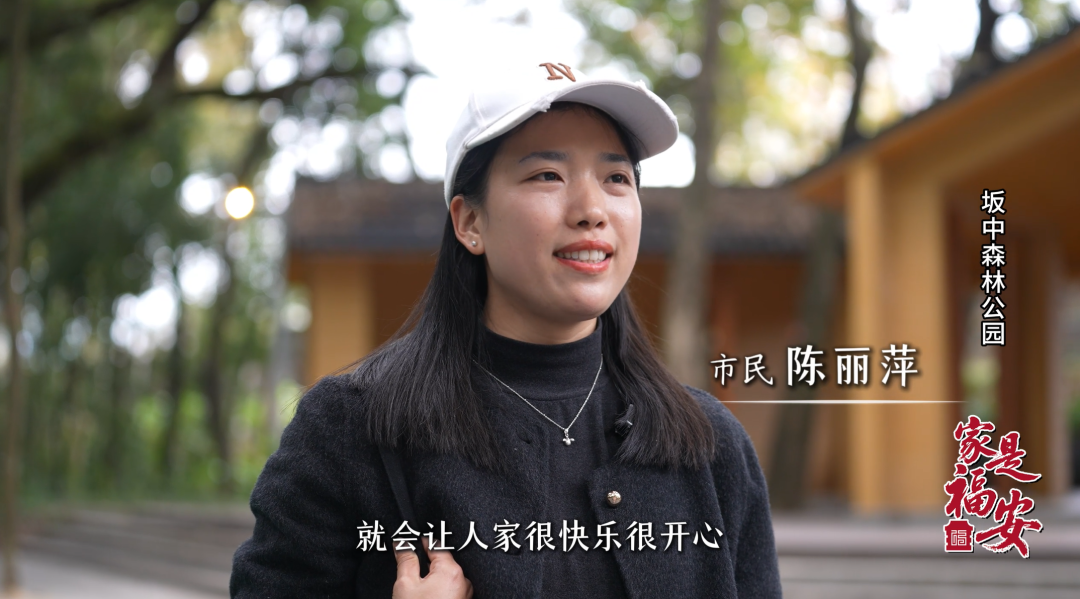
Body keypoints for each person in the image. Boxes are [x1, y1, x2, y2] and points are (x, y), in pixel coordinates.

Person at [230, 61, 782, 599]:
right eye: (548, 175)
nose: (592, 209)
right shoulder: (349, 430)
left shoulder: (711, 444)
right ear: (470, 222)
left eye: (616, 177)